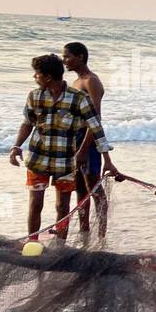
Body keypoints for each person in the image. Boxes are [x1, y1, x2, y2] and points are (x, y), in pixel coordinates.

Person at [9, 54, 117, 240]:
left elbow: (96, 127)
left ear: (48, 77)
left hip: (66, 162)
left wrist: (107, 160)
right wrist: (16, 146)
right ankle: (32, 240)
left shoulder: (79, 98)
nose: (34, 78)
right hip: (37, 160)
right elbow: (28, 123)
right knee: (35, 204)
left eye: (37, 74)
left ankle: (60, 244)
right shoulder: (34, 96)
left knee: (62, 206)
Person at [62, 41, 107, 234]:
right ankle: (84, 230)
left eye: (67, 56)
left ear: (80, 57)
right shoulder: (75, 82)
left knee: (94, 186)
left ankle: (102, 233)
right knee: (79, 187)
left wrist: (84, 148)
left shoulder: (91, 81)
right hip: (76, 138)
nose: (64, 61)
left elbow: (96, 117)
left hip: (88, 139)